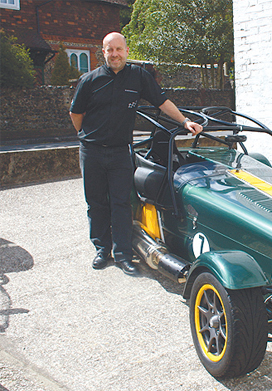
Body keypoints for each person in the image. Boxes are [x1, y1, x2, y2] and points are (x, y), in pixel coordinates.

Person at [69, 32, 203, 275]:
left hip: (121, 152)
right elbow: (75, 114)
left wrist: (185, 122)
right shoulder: (89, 80)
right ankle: (102, 250)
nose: (115, 54)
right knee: (96, 203)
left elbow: (162, 102)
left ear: (127, 51)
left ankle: (123, 255)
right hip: (92, 152)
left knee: (121, 203)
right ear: (104, 52)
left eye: (119, 49)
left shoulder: (138, 77)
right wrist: (88, 136)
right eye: (110, 50)